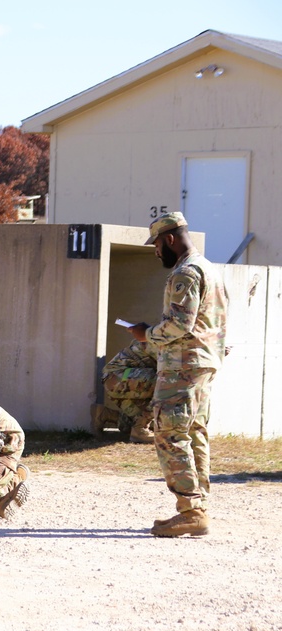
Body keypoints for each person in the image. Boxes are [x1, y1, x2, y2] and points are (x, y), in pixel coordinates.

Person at [128, 212, 228, 538]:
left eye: (157, 244)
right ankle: (199, 506)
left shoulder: (186, 273)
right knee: (194, 431)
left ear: (169, 239)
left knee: (170, 433)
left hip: (183, 367)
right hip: (203, 363)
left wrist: (147, 335)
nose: (157, 251)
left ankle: (190, 510)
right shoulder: (211, 269)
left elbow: (179, 325)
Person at [91, 340, 157, 443]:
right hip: (119, 377)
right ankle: (140, 428)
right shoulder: (168, 338)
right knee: (168, 383)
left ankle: (105, 414)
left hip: (129, 381)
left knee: (130, 426)